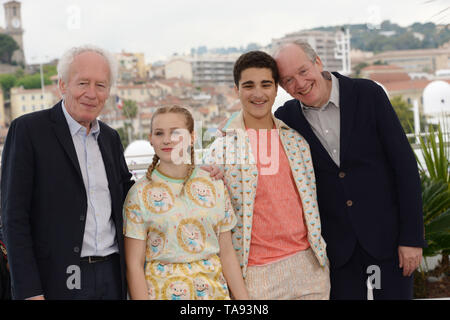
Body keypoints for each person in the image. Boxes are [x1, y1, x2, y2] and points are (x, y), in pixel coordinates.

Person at [273, 41, 425, 300]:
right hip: (337, 254)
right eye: (288, 80)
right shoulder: (286, 119)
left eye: (302, 71)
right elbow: (255, 146)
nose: (298, 83)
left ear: (318, 62)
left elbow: (405, 167)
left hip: (389, 244)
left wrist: (411, 238)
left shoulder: (368, 94)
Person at [1, 45, 134, 300]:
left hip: (112, 275)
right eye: (83, 83)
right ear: (62, 85)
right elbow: (14, 218)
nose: (91, 94)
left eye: (101, 85)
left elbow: (132, 195)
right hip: (57, 279)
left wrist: (190, 175)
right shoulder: (28, 131)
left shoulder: (110, 138)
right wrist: (29, 291)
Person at [204, 51, 330, 299]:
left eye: (266, 85)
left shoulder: (297, 142)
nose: (258, 94)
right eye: (249, 85)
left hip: (310, 268)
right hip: (255, 274)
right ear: (236, 90)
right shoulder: (221, 150)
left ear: (275, 90)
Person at [124, 105, 248, 300]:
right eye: (159, 133)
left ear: (192, 136)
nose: (167, 139)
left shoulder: (215, 185)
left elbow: (227, 253)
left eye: (175, 132)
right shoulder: (138, 195)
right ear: (151, 139)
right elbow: (134, 265)